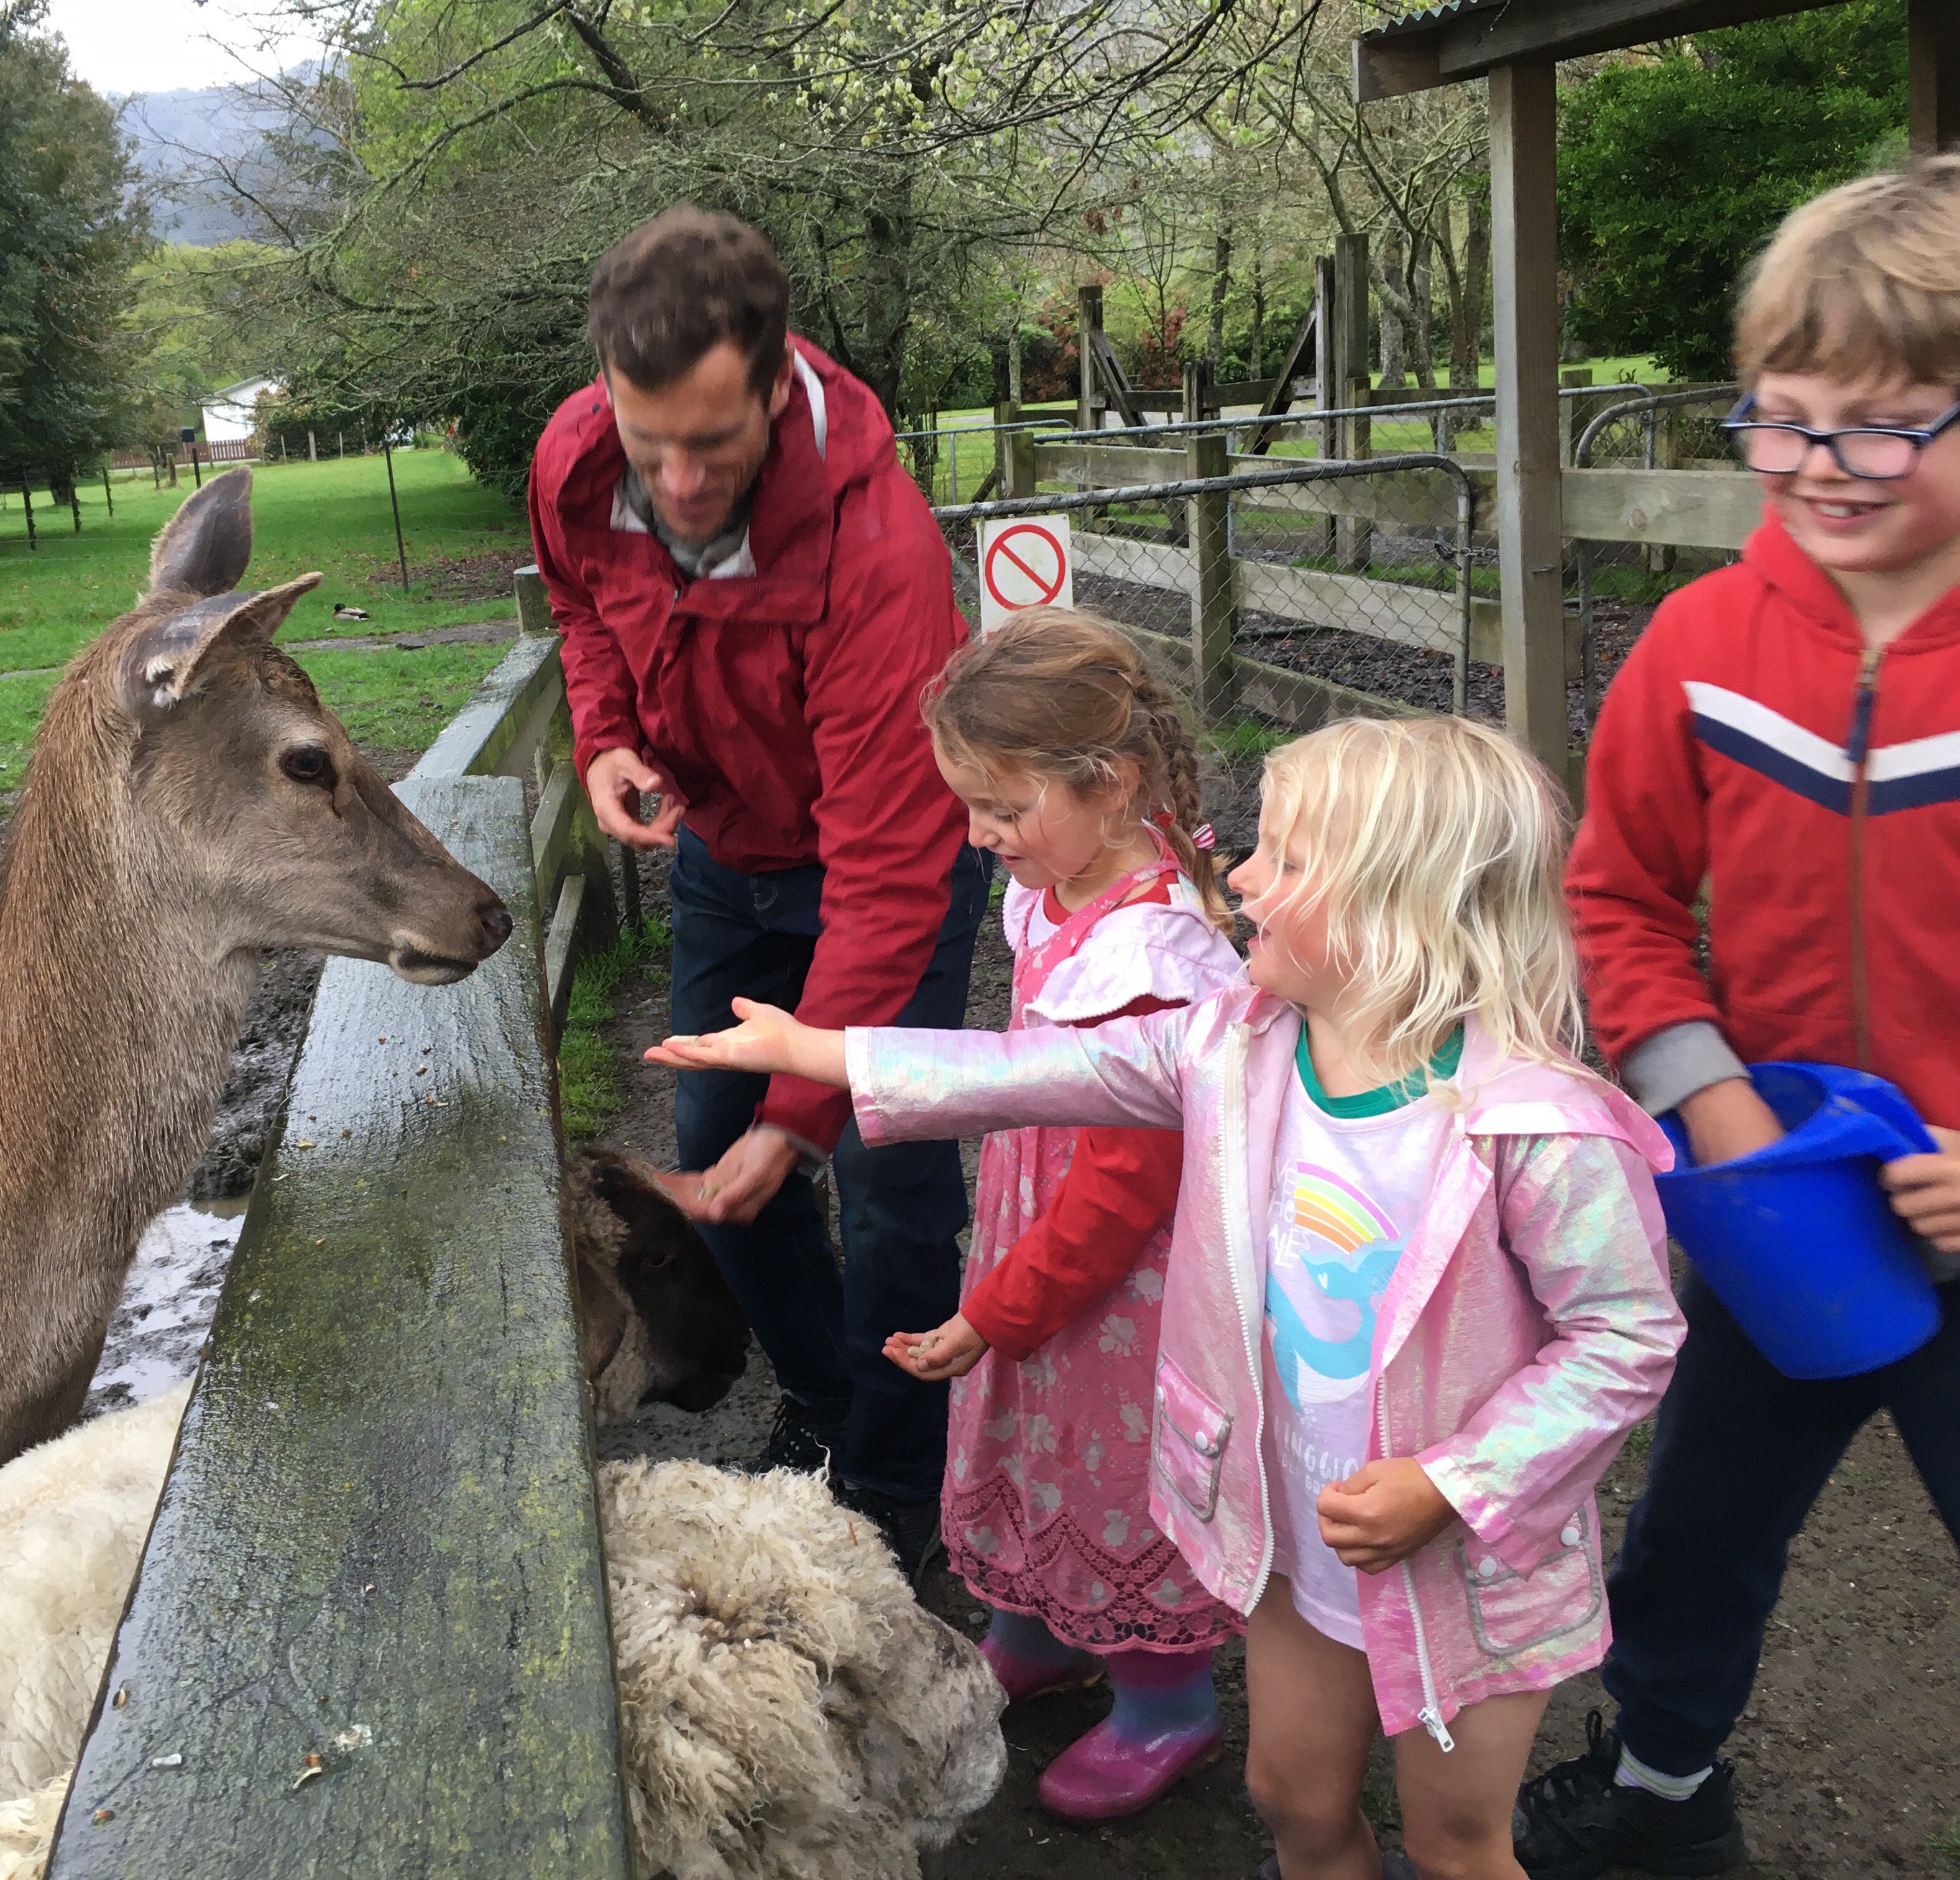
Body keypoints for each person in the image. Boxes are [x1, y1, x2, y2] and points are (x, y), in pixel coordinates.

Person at [651, 716, 1686, 1880]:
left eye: (1286, 860)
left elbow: (1626, 1337)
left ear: (1404, 907)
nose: (1240, 877)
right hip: (1293, 1534)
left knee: (1456, 1846)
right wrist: (827, 1053)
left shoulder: (1538, 1129)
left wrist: (1454, 1483)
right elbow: (1046, 1069)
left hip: (1465, 1567)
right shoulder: (1238, 1046)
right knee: (1292, 1799)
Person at [1518, 155, 1960, 1880]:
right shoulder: (1701, 646)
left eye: (1881, 428)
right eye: (1780, 419)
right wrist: (1711, 1103)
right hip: (1784, 1217)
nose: (1817, 467)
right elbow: (1618, 896)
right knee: (1697, 1524)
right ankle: (1661, 1794)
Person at [527, 206, 985, 1573]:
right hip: (728, 856)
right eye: (647, 439)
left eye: (714, 446)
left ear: (780, 386)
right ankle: (831, 1398)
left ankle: (897, 1486)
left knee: (887, 1176)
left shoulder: (873, 553)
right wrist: (607, 735)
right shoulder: (575, 462)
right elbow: (580, 607)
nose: (676, 480)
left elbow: (888, 874)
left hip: (884, 864)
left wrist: (804, 1115)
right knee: (714, 1134)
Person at [871, 607, 1245, 1820]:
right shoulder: (1064, 880)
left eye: (1001, 808)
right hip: (1043, 1231)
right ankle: (1036, 1628)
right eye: (969, 807)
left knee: (1117, 1468)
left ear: (1113, 782)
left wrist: (998, 1308)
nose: (980, 837)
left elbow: (1125, 1190)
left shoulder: (1153, 959)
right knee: (1036, 1437)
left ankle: (1163, 1700)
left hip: (1120, 1282)